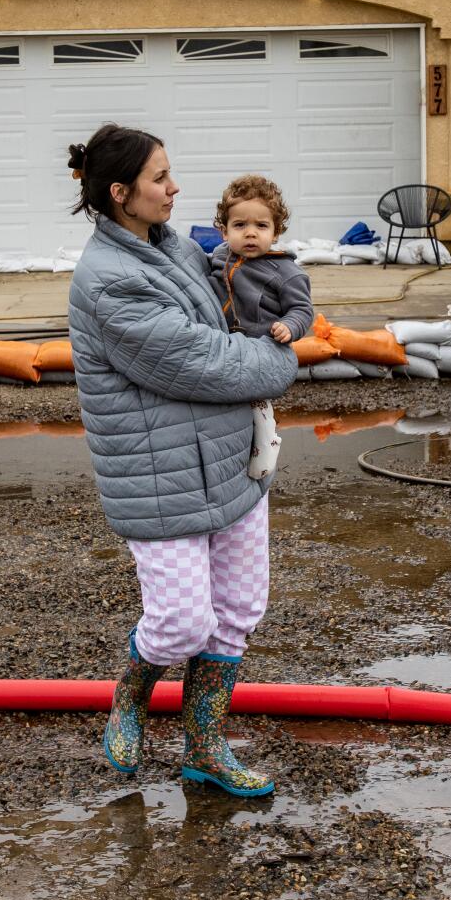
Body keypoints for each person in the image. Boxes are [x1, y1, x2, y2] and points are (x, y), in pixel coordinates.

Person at [65, 125, 299, 797]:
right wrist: (282, 357)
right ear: (120, 193)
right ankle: (132, 697)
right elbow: (210, 362)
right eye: (160, 178)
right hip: (158, 476)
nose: (175, 188)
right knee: (180, 620)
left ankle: (205, 745)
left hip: (230, 461)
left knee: (237, 610)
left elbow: (240, 304)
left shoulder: (170, 246)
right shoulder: (110, 280)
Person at [208, 175, 315, 481]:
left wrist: (289, 327)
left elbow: (302, 309)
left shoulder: (286, 272)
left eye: (261, 226)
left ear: (276, 231)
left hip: (261, 346)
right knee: (230, 407)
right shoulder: (219, 257)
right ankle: (234, 450)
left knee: (256, 403)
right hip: (226, 344)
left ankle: (266, 441)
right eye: (240, 225)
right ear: (224, 230)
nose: (250, 233)